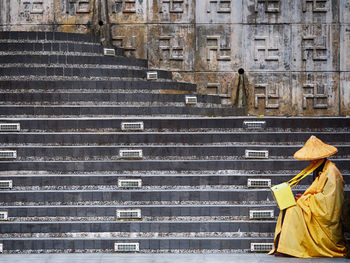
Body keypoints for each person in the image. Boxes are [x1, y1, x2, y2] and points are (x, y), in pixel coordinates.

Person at [269, 136, 348, 258]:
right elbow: (318, 192)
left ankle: (289, 248)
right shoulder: (322, 168)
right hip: (315, 207)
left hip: (326, 216)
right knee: (289, 208)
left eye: (313, 158)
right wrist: (304, 197)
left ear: (320, 157)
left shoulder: (332, 172)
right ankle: (284, 247)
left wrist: (304, 200)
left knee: (292, 210)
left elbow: (329, 204)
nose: (311, 161)